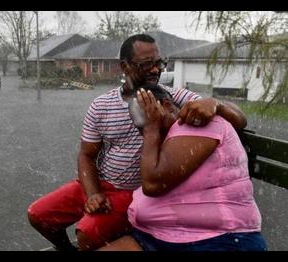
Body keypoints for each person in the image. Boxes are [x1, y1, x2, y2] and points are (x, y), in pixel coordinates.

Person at [27, 34, 248, 251]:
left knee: (87, 233)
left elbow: (239, 119)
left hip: (133, 192)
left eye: (160, 63)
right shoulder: (101, 105)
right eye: (147, 64)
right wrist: (93, 193)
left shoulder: (170, 97)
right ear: (124, 66)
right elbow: (86, 155)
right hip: (99, 183)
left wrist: (216, 103)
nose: (156, 69)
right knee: (39, 215)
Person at [99, 85, 266, 251]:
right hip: (155, 236)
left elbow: (153, 184)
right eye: (139, 125)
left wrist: (151, 129)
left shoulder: (196, 122)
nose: (142, 130)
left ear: (166, 105)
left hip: (216, 239)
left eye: (145, 118)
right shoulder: (167, 138)